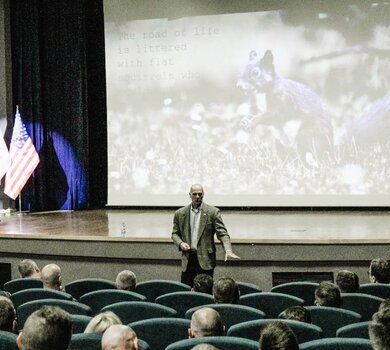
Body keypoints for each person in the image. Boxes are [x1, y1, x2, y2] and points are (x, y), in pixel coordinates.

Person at [171, 184, 240, 286]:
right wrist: (180, 243)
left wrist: (228, 250)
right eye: (195, 194)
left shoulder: (213, 212)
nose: (198, 197)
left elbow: (222, 234)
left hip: (205, 260)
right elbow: (175, 234)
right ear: (189, 195)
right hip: (188, 259)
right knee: (185, 289)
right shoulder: (180, 213)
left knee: (205, 290)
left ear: (203, 194)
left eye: (200, 194)